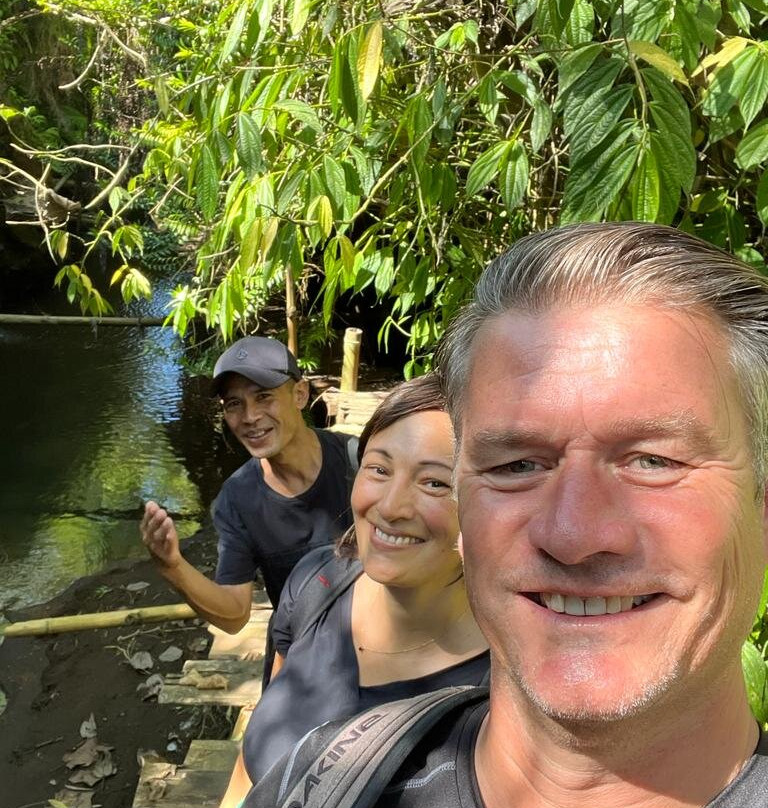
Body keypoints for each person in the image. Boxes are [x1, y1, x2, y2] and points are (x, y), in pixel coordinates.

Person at [245, 222, 768, 808]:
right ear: (464, 517)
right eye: (516, 465)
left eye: (654, 461)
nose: (572, 535)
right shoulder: (320, 778)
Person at [219, 374, 489, 804]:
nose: (390, 507)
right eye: (379, 469)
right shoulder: (316, 583)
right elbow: (256, 750)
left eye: (435, 483)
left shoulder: (505, 691)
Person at [140, 335, 357, 639]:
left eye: (263, 397)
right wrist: (172, 566)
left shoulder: (359, 461)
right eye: (234, 404)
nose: (250, 417)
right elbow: (234, 616)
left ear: (300, 394)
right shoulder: (237, 500)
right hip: (306, 650)